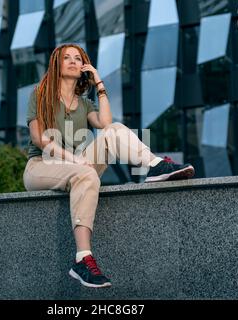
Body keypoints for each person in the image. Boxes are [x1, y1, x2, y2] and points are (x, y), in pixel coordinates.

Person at [23, 43, 195, 288]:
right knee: (86, 173)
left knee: (114, 131)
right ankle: (83, 259)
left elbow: (105, 122)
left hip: (78, 167)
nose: (73, 61)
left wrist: (99, 84)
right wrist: (74, 159)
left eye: (78, 58)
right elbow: (39, 138)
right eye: (66, 58)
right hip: (41, 166)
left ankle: (155, 165)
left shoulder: (84, 104)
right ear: (56, 64)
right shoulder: (40, 94)